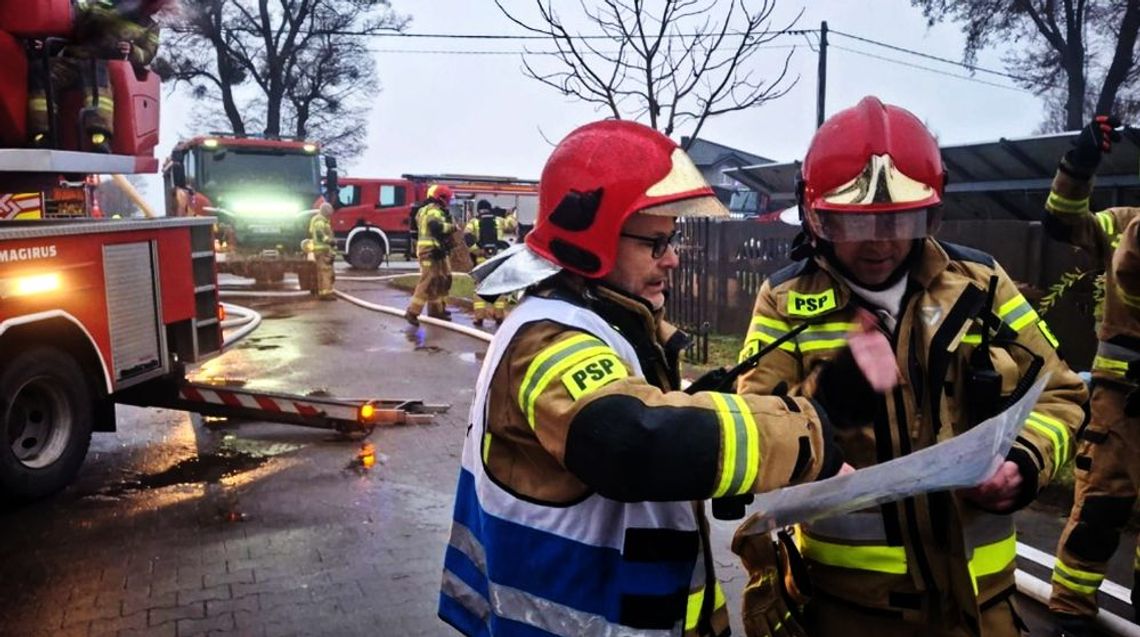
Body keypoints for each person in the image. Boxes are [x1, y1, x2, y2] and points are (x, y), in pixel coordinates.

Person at [438, 119, 898, 637]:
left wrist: (806, 404)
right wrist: (809, 438)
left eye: (672, 239)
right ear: (592, 241)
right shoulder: (546, 336)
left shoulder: (607, 323)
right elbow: (630, 440)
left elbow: (650, 419)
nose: (673, 258)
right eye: (655, 243)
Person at [734, 96, 1088, 636]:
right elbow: (752, 426)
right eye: (856, 225)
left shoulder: (981, 282)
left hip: (982, 606)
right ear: (816, 217)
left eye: (901, 219)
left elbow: (1060, 392)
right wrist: (836, 395)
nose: (881, 242)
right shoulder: (785, 299)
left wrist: (1024, 463)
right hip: (850, 611)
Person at [1041, 115, 1140, 636]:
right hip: (1122, 401)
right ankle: (1070, 611)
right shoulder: (1128, 225)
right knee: (1102, 507)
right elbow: (1064, 220)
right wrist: (1078, 164)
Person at [28, 0, 166, 153]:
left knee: (96, 75)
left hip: (105, 65)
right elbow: (69, 24)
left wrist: (131, 50)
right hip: (74, 58)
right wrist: (48, 42)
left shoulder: (151, 26)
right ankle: (42, 134)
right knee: (42, 70)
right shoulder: (96, 5)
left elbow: (147, 55)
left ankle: (99, 136)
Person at [405, 184, 455, 325]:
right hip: (429, 251)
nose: (449, 202)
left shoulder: (428, 210)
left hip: (436, 250)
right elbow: (436, 227)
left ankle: (436, 310)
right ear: (441, 198)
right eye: (448, 199)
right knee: (427, 280)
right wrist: (452, 227)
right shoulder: (432, 211)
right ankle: (412, 311)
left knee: (440, 279)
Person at [464, 199, 510, 326]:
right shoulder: (499, 220)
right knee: (499, 287)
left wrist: (476, 251)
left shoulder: (474, 222)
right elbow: (513, 224)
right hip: (497, 259)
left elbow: (467, 236)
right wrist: (506, 213)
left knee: (480, 287)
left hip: (482, 260)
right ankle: (499, 316)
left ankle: (479, 317)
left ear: (478, 209)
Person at [308, 202, 336, 300]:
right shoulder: (320, 222)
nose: (330, 216)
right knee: (325, 272)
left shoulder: (321, 221)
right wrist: (329, 241)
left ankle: (321, 291)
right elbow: (320, 234)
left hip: (322, 250)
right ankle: (326, 294)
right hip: (322, 250)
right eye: (329, 214)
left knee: (322, 272)